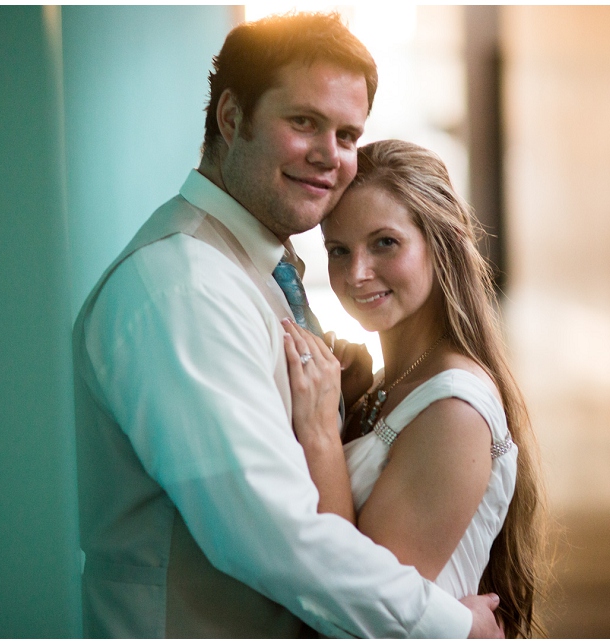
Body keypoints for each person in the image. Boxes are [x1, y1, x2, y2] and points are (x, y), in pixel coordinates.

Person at [73, 12, 503, 638]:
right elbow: (275, 533)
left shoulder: (255, 268)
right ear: (231, 118)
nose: (329, 155)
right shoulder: (184, 285)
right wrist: (448, 628)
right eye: (303, 121)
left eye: (348, 134)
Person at [284, 139, 547, 638]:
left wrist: (319, 431)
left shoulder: (453, 409)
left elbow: (361, 603)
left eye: (385, 242)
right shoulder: (394, 380)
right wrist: (350, 403)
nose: (357, 273)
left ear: (440, 241)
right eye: (339, 250)